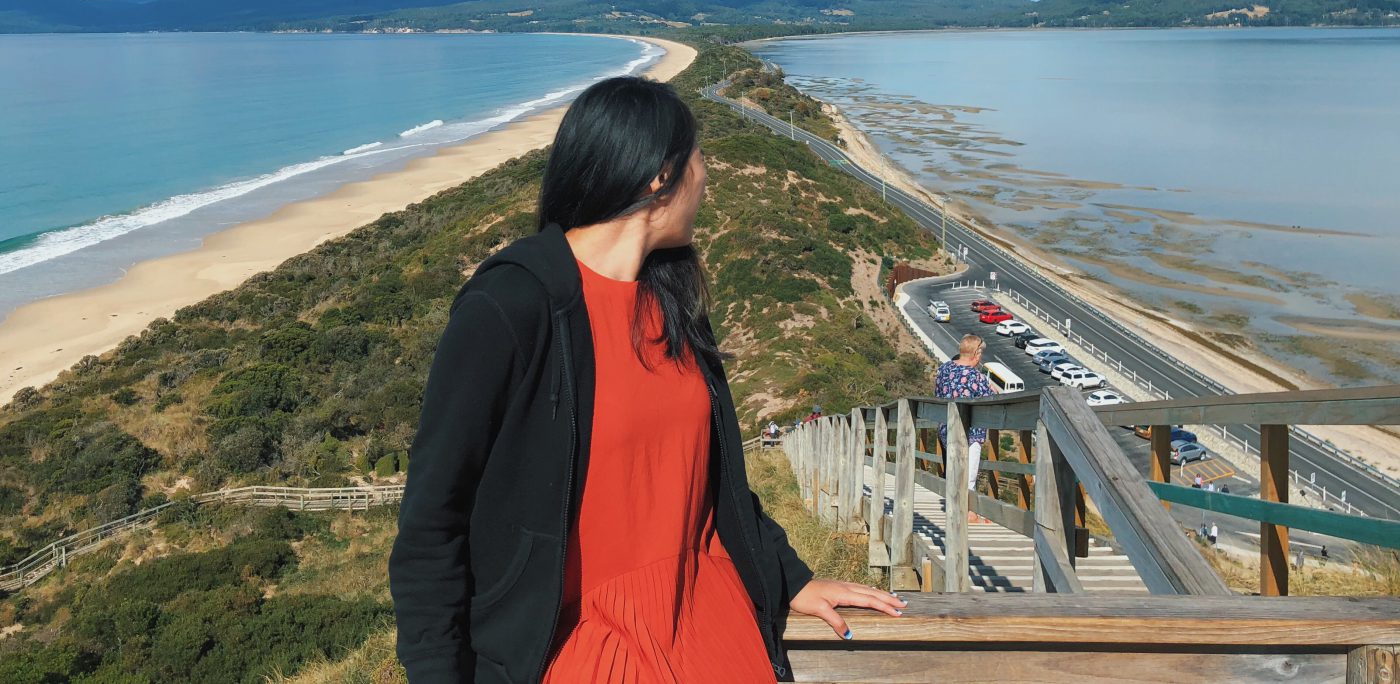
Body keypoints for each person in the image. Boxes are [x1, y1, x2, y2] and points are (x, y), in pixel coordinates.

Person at [389, 76, 903, 684]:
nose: (706, 180)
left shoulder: (674, 300)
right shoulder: (510, 307)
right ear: (660, 176)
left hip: (706, 616)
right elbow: (432, 522)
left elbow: (718, 482)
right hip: (575, 645)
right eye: (699, 161)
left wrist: (789, 576)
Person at [935, 333, 997, 524]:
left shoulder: (944, 369)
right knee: (968, 473)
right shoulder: (974, 377)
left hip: (946, 427)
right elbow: (991, 398)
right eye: (981, 354)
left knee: (954, 469)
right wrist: (992, 389)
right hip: (970, 432)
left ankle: (958, 505)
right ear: (976, 354)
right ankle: (967, 510)